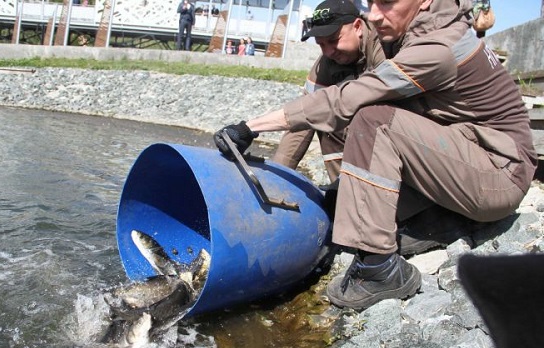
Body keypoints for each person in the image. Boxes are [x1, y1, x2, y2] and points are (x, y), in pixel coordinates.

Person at [214, 0, 537, 311]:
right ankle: (435, 222)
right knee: (337, 199)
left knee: (374, 121)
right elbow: (305, 124)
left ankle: (379, 269)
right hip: (466, 157)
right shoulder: (405, 34)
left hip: (500, 174)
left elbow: (345, 101)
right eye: (371, 2)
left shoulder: (434, 48)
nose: (375, 15)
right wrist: (269, 187)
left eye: (387, 2)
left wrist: (251, 126)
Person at [273, 0, 385, 184]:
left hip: (397, 132)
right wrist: (275, 177)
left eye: (333, 41)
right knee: (323, 117)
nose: (328, 52)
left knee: (352, 115)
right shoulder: (327, 61)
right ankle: (342, 187)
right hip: (362, 135)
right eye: (321, 44)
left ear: (357, 27)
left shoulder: (383, 44)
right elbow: (304, 117)